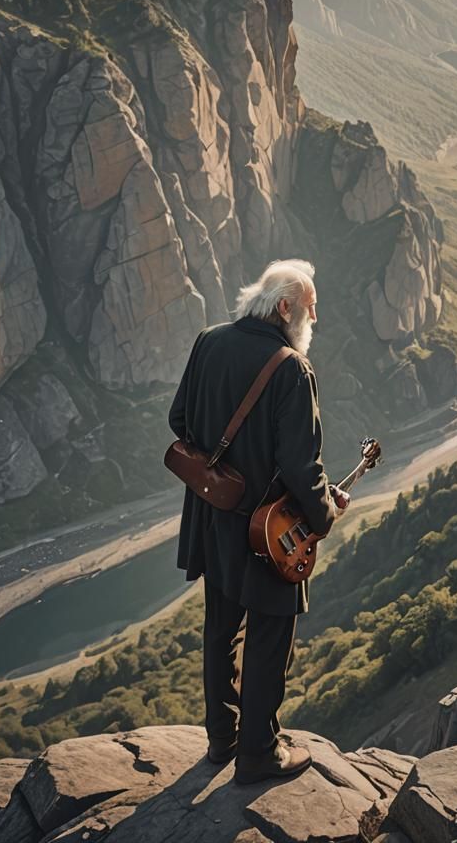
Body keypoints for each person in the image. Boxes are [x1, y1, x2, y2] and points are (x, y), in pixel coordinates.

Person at [169, 258, 349, 785]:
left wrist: (226, 468)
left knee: (220, 630)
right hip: (266, 532)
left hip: (212, 517)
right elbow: (301, 465)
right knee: (270, 636)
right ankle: (257, 753)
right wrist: (322, 516)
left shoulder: (209, 341)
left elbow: (179, 421)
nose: (314, 319)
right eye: (311, 308)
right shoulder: (291, 368)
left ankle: (221, 740)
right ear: (286, 306)